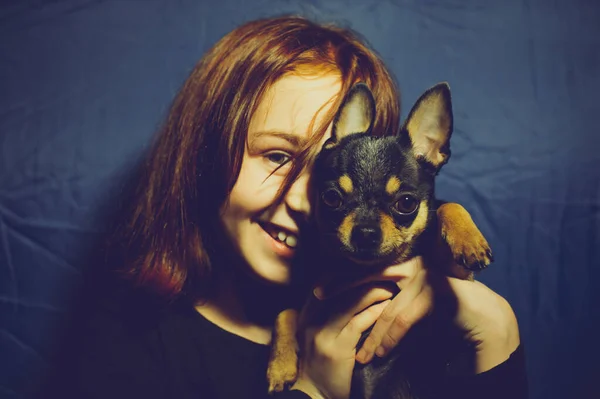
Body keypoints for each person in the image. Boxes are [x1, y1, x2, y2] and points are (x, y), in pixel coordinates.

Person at [40, 15, 528, 399]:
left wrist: (497, 331)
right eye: (277, 156)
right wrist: (311, 388)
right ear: (205, 150)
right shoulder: (127, 338)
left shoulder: (411, 290)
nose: (302, 200)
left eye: (327, 178)